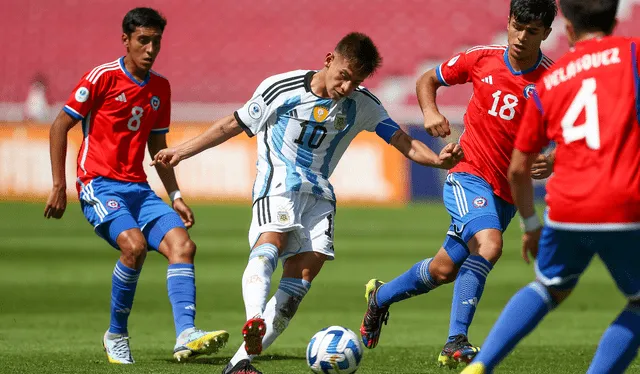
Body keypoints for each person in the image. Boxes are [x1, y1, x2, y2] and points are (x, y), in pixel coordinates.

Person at [152, 32, 464, 374]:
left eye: (355, 81)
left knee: (301, 276)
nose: (346, 87)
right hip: (279, 184)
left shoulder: (362, 103)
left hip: (320, 196)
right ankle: (255, 317)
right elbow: (231, 124)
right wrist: (181, 152)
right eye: (344, 76)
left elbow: (402, 141)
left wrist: (437, 161)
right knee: (272, 241)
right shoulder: (281, 88)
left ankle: (240, 362)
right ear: (329, 60)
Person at [359, 0, 558, 367]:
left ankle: (380, 298)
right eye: (517, 26)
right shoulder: (482, 59)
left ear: (546, 34)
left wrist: (554, 156)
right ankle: (455, 342)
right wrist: (431, 111)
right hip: (468, 173)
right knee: (490, 244)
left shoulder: (554, 80)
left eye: (532, 31)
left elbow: (572, 129)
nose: (521, 37)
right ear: (509, 22)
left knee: (443, 271)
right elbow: (427, 79)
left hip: (507, 192)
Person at [462, 0, 640, 373]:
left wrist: (529, 226)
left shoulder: (553, 79)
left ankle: (482, 365)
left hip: (565, 207)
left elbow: (517, 169)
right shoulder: (632, 54)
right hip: (622, 202)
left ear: (568, 31)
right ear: (615, 20)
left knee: (549, 287)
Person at [43, 7, 228, 364]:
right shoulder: (102, 77)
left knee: (183, 246)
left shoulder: (160, 87)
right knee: (135, 246)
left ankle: (187, 334)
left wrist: (175, 195)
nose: (151, 48)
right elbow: (58, 126)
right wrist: (58, 184)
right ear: (126, 40)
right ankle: (116, 334)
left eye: (156, 41)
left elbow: (158, 146)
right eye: (143, 40)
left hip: (139, 189)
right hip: (99, 184)